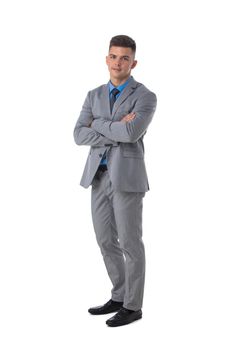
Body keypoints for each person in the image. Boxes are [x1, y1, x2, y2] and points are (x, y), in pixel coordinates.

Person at [73, 35, 157, 327]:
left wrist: (96, 124)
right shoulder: (93, 95)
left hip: (127, 179)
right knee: (105, 240)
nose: (118, 62)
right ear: (106, 59)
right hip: (98, 175)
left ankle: (133, 306)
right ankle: (119, 296)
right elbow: (77, 135)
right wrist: (113, 127)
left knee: (131, 243)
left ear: (133, 63)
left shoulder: (145, 96)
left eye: (124, 58)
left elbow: (131, 134)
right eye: (113, 56)